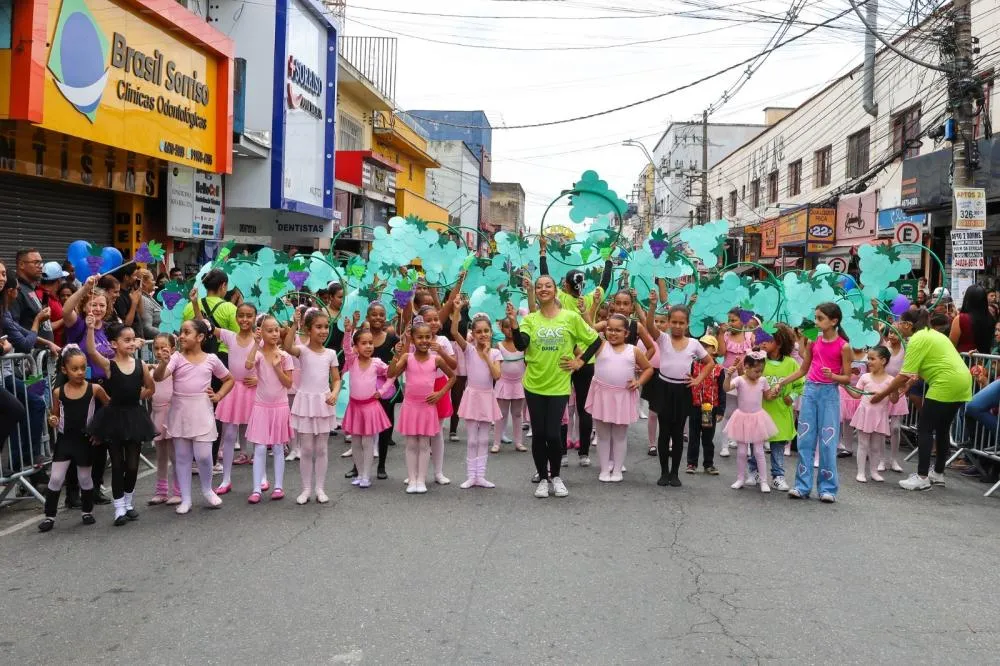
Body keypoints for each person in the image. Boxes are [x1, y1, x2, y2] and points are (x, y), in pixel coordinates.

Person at [508, 273, 601, 499]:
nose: (543, 289)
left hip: (559, 385)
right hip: (534, 385)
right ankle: (543, 478)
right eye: (539, 286)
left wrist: (580, 361)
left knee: (553, 433)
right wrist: (514, 325)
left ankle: (556, 477)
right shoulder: (530, 319)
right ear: (535, 291)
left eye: (548, 285)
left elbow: (596, 340)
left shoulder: (570, 317)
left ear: (555, 289)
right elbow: (521, 345)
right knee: (539, 434)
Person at [871, 309, 973, 491]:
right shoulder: (932, 334)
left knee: (924, 428)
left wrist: (882, 393)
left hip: (945, 383)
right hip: (962, 381)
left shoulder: (917, 339)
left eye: (899, 323)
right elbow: (920, 369)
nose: (897, 326)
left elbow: (904, 374)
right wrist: (907, 384)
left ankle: (922, 476)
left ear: (908, 325)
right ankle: (938, 473)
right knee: (942, 429)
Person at [538, 238, 613, 468]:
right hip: (587, 360)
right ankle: (584, 454)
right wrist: (608, 259)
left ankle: (561, 452)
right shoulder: (590, 298)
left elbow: (545, 277)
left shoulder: (560, 298)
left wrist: (543, 252)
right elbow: (605, 281)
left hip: (565, 360)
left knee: (561, 408)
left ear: (565, 285)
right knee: (584, 408)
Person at [153, 319, 234, 514]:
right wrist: (163, 363)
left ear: (200, 337)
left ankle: (207, 489)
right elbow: (158, 377)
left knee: (204, 455)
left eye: (186, 332)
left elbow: (229, 379)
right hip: (180, 410)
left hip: (202, 410)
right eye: (181, 332)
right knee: (182, 457)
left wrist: (219, 395)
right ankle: (186, 499)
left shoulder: (211, 359)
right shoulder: (176, 358)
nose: (181, 336)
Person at [777, 303, 854, 503]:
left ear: (834, 321)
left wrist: (833, 376)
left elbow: (847, 378)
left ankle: (828, 488)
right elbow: (803, 370)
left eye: (820, 318)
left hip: (830, 394)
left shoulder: (844, 346)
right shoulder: (813, 342)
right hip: (810, 391)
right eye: (816, 317)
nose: (816, 322)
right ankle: (802, 486)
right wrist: (782, 382)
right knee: (805, 440)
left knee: (828, 443)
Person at [84, 320, 156, 525]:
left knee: (132, 465)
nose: (132, 343)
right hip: (114, 418)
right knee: (117, 464)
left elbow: (150, 388)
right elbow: (91, 351)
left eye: (133, 339)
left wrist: (136, 395)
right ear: (114, 344)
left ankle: (128, 502)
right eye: (127, 340)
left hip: (134, 417)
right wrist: (90, 328)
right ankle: (119, 508)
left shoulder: (141, 365)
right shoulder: (110, 365)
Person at [38, 346, 109, 532]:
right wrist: (53, 420)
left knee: (84, 478)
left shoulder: (95, 389)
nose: (79, 372)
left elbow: (109, 408)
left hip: (84, 440)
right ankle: (49, 516)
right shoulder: (58, 392)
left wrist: (99, 431)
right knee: (56, 478)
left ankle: (87, 511)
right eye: (74, 369)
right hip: (65, 440)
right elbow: (55, 415)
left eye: (83, 368)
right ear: (64, 370)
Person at [645, 297, 714, 488]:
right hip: (664, 389)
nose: (677, 326)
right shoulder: (663, 338)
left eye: (681, 323)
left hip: (682, 390)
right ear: (668, 322)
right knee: (664, 432)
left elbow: (710, 362)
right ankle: (664, 472)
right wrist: (652, 306)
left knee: (677, 433)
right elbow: (649, 326)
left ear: (687, 324)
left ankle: (674, 473)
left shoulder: (693, 343)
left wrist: (698, 379)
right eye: (673, 322)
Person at [194, 300, 259, 492]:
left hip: (253, 390)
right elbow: (205, 325)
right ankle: (226, 478)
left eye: (249, 316)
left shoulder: (260, 339)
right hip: (233, 390)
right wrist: (195, 303)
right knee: (229, 435)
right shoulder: (230, 336)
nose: (245, 319)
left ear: (255, 317)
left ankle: (261, 477)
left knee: (257, 436)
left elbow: (270, 363)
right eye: (241, 315)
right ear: (236, 318)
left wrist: (259, 379)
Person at [387, 318, 456, 494]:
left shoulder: (436, 359)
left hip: (427, 407)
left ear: (432, 337)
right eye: (420, 337)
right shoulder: (407, 357)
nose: (424, 340)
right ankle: (412, 479)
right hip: (411, 406)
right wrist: (396, 355)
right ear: (413, 338)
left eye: (427, 337)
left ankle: (421, 479)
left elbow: (453, 377)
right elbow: (391, 373)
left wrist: (440, 393)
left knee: (424, 445)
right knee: (411, 444)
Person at [586, 314, 654, 483]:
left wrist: (638, 382)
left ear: (626, 333)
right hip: (602, 395)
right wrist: (588, 313)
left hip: (623, 396)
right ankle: (604, 469)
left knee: (620, 435)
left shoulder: (633, 350)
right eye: (609, 329)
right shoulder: (600, 345)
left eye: (618, 330)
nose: (613, 333)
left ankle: (617, 469)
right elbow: (587, 329)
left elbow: (648, 369)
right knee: (603, 435)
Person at [285, 309, 342, 504]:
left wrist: (334, 393)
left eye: (326, 327)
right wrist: (294, 324)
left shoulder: (331, 353)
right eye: (318, 327)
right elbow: (287, 346)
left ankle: (320, 488)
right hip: (306, 403)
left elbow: (336, 379)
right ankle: (306, 489)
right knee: (307, 449)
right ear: (308, 329)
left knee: (322, 449)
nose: (323, 330)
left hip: (323, 403)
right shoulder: (302, 350)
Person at [244, 315, 295, 504]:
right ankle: (256, 488)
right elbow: (247, 365)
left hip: (280, 407)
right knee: (259, 448)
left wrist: (277, 367)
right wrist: (255, 344)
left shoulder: (285, 356)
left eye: (276, 330)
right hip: (261, 407)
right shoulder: (258, 354)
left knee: (279, 447)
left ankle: (278, 486)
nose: (274, 334)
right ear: (261, 332)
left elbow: (288, 384)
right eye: (269, 330)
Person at [450, 310, 503, 488]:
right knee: (472, 440)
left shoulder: (495, 353)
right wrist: (456, 310)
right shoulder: (469, 350)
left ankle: (481, 476)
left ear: (491, 332)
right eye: (478, 331)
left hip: (487, 397)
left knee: (483, 440)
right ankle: (471, 476)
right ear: (472, 333)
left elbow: (496, 375)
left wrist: (487, 356)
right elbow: (454, 332)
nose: (483, 334)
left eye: (486, 331)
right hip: (472, 396)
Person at [341, 319, 394, 489]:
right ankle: (359, 473)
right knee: (356, 442)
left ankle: (366, 475)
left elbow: (391, 374)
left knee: (367, 442)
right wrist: (348, 332)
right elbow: (346, 348)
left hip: (370, 407)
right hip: (355, 407)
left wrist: (382, 391)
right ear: (356, 347)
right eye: (363, 343)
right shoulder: (352, 361)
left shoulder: (377, 362)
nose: (368, 346)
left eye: (370, 343)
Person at [750, 324, 802, 492]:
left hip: (780, 412)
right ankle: (754, 471)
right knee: (756, 442)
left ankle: (778, 476)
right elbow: (748, 379)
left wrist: (791, 397)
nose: (763, 343)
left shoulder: (791, 364)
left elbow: (800, 385)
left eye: (768, 340)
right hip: (760, 410)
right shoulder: (759, 360)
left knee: (778, 445)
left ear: (779, 343)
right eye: (762, 339)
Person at [724, 351, 779, 493]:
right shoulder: (740, 380)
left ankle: (764, 481)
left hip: (757, 418)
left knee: (759, 451)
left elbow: (767, 396)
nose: (759, 374)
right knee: (742, 452)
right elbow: (726, 388)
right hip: (742, 418)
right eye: (756, 371)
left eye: (761, 371)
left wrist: (774, 393)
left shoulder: (762, 381)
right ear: (746, 367)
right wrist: (728, 375)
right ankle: (740, 479)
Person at [849, 346, 899, 483]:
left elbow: (894, 400)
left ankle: (874, 471)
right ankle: (860, 472)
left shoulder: (890, 380)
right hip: (865, 413)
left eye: (872, 359)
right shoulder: (865, 377)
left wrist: (894, 389)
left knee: (876, 446)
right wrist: (844, 385)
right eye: (868, 359)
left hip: (880, 415)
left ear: (883, 360)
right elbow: (856, 395)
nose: (869, 362)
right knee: (863, 444)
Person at [717, 309, 755, 458]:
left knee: (745, 411)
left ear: (743, 321)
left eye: (733, 320)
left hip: (746, 377)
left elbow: (756, 353)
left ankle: (744, 443)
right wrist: (720, 333)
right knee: (728, 411)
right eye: (729, 320)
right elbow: (721, 353)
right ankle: (724, 445)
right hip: (729, 375)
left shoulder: (749, 336)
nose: (730, 323)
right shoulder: (726, 335)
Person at [148, 333, 181, 506]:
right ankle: (161, 491)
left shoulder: (176, 368)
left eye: (164, 348)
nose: (160, 352)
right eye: (156, 348)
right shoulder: (152, 370)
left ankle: (179, 490)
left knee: (175, 455)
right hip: (158, 414)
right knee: (161, 455)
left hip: (172, 414)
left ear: (173, 349)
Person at [687, 335, 725, 475]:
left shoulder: (719, 369)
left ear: (714, 350)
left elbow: (722, 390)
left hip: (709, 408)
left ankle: (708, 464)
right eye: (701, 346)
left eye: (706, 346)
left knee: (707, 437)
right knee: (694, 436)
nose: (702, 349)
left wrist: (720, 410)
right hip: (695, 406)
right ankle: (691, 463)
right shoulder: (693, 365)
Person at [492, 317, 527, 453]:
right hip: (503, 382)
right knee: (501, 414)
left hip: (519, 383)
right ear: (501, 328)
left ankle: (518, 442)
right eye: (507, 327)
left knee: (517, 414)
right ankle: (496, 442)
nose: (510, 330)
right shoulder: (498, 346)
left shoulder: (523, 346)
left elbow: (527, 363)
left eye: (513, 328)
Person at [9, 248, 53, 345]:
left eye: (41, 263)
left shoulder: (30, 288)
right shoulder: (16, 290)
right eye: (36, 262)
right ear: (21, 265)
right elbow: (13, 327)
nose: (41, 267)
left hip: (43, 351)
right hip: (29, 352)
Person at [883, 328, 908, 473]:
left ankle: (893, 460)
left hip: (898, 390)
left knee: (895, 428)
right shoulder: (885, 347)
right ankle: (880, 459)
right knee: (881, 427)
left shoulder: (906, 348)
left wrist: (907, 384)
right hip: (883, 389)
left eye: (895, 332)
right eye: (890, 332)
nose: (892, 335)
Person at [949, 284, 995, 354]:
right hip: (984, 358)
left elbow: (951, 344)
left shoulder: (960, 319)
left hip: (963, 358)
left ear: (967, 299)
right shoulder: (990, 318)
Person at [37, 262, 68, 347]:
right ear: (58, 281)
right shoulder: (42, 297)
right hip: (50, 348)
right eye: (62, 279)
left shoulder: (52, 296)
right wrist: (65, 319)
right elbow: (44, 327)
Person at [135, 268, 162, 339]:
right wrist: (167, 334)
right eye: (152, 280)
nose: (154, 282)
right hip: (154, 343)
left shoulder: (148, 297)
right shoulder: (143, 300)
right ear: (143, 282)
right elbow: (147, 329)